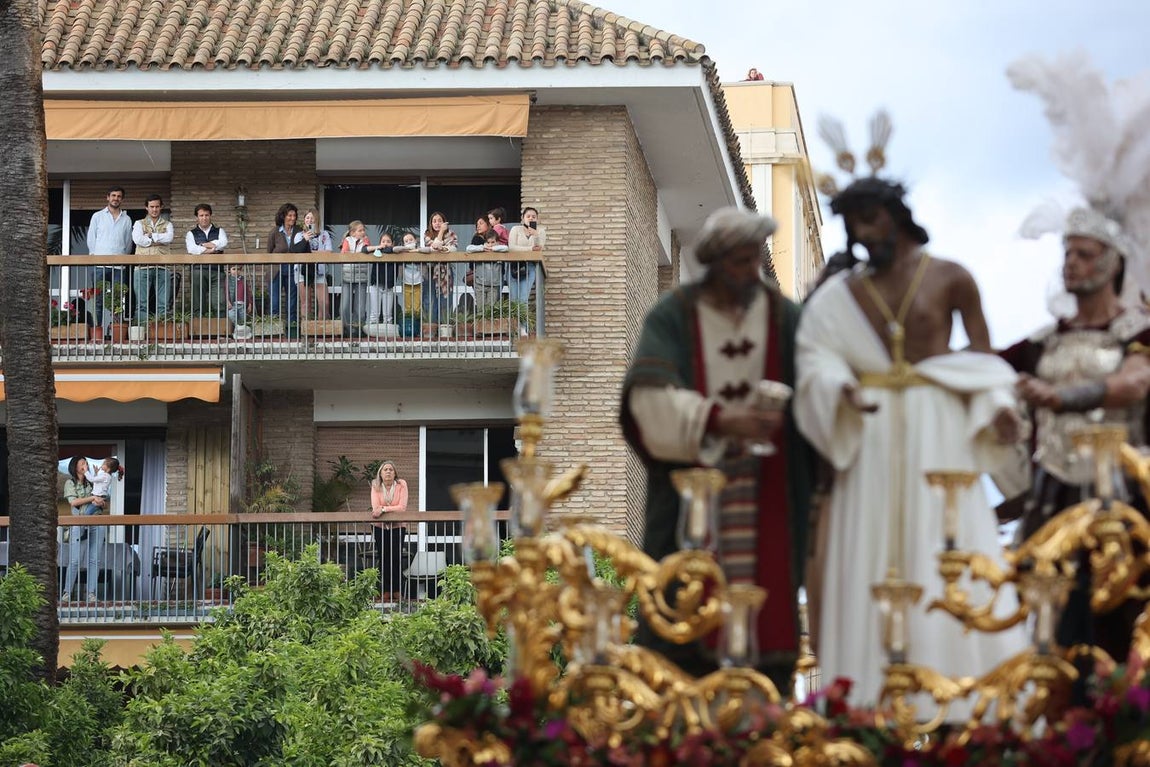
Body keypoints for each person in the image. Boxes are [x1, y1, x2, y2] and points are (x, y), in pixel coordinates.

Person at [793, 168, 1026, 707]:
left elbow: (983, 360)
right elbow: (814, 357)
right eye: (854, 225)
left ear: (897, 216)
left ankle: (963, 695)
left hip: (938, 426)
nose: (863, 234)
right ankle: (864, 699)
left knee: (944, 539)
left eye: (871, 220)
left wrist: (998, 407)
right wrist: (839, 388)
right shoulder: (841, 296)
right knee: (869, 546)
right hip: (869, 429)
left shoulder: (951, 277)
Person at [619, 207, 814, 691]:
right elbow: (647, 400)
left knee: (767, 620)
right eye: (740, 262)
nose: (752, 272)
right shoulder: (674, 315)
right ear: (715, 263)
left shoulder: (785, 318)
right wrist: (720, 420)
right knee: (680, 624)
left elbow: (818, 389)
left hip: (768, 499)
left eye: (755, 260)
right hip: (692, 501)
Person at [1000, 52, 1150, 670]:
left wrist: (1062, 398)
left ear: (1113, 263)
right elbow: (988, 372)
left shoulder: (1138, 334)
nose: (1072, 263)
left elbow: (1135, 383)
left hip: (1127, 504)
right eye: (1068, 252)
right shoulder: (1041, 343)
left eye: (1085, 254)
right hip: (1053, 496)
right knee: (1055, 637)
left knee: (1123, 630)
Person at [86, 185, 134, 331]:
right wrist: (94, 257)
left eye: (119, 196)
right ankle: (97, 330)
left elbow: (128, 243)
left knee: (117, 301)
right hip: (99, 265)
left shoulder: (127, 219)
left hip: (119, 266)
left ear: (122, 199)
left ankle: (116, 331)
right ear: (108, 197)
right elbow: (91, 238)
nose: (116, 198)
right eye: (113, 195)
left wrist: (123, 258)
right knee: (98, 300)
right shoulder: (97, 216)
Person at [61, 456, 108, 602]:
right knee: (75, 560)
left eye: (86, 462)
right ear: (75, 466)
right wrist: (92, 499)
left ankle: (91, 594)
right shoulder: (70, 483)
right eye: (82, 463)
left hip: (96, 521)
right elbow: (73, 502)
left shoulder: (93, 482)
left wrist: (101, 502)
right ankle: (67, 593)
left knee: (95, 560)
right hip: (78, 522)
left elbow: (102, 499)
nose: (85, 464)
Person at [130, 194, 174, 322]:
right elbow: (138, 240)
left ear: (161, 207)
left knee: (163, 304)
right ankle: (142, 331)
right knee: (141, 304)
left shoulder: (168, 224)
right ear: (146, 208)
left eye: (157, 207)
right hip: (142, 267)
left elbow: (169, 238)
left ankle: (162, 331)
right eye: (152, 207)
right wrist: (158, 239)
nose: (154, 209)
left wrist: (150, 236)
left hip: (163, 266)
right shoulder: (139, 223)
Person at [267, 203, 310, 333]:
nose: (292, 218)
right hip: (276, 270)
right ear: (283, 216)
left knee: (292, 301)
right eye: (289, 215)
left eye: (294, 215)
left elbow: (302, 248)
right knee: (274, 302)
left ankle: (291, 330)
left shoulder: (299, 231)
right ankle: (274, 331)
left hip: (293, 269)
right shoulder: (275, 232)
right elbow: (269, 251)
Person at [370, 460, 408, 600]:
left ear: (395, 473)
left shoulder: (401, 484)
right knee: (384, 558)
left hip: (398, 526)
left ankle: (397, 590)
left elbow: (402, 508)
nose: (388, 472)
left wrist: (384, 509)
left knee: (396, 558)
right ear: (380, 473)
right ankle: (386, 590)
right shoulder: (375, 485)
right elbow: (375, 509)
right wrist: (381, 509)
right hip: (380, 527)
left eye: (391, 469)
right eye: (385, 469)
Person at [186, 204, 229, 318]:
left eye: (206, 215)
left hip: (217, 270)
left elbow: (223, 243)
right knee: (198, 302)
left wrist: (202, 246)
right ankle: (198, 327)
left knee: (220, 301)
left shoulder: (220, 231)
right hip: (198, 270)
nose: (204, 218)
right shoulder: (191, 233)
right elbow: (192, 249)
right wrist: (212, 249)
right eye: (201, 215)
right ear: (197, 217)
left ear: (210, 216)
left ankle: (221, 328)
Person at [422, 212, 457, 334]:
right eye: (434, 221)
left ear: (444, 222)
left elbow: (453, 249)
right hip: (430, 270)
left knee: (445, 299)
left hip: (446, 271)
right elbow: (433, 248)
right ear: (431, 223)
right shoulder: (427, 235)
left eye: (439, 221)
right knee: (429, 299)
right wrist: (441, 233)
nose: (437, 223)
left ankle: (444, 329)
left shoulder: (452, 234)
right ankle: (431, 330)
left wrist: (440, 248)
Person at [466, 217, 508, 316]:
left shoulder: (499, 249)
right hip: (480, 284)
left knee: (490, 312)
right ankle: (480, 327)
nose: (490, 245)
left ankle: (489, 327)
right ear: (484, 242)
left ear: (497, 242)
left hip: (494, 285)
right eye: (488, 242)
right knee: (480, 311)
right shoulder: (482, 248)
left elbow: (505, 248)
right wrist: (483, 247)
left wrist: (494, 248)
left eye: (493, 242)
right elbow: (468, 248)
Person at [297, 208, 333, 322]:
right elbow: (297, 252)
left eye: (312, 218)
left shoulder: (324, 234)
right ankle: (306, 329)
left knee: (324, 303)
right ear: (304, 220)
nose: (309, 220)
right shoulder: (299, 235)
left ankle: (322, 328)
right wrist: (305, 240)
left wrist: (311, 253)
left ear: (317, 219)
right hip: (303, 271)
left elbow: (329, 252)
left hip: (319, 271)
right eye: (307, 217)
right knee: (305, 303)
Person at [340, 220, 373, 337]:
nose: (363, 232)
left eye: (363, 230)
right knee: (345, 305)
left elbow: (366, 250)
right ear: (352, 232)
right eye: (360, 230)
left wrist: (356, 252)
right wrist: (357, 253)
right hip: (347, 276)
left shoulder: (366, 240)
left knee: (360, 306)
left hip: (361, 276)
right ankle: (346, 328)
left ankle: (357, 329)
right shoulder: (347, 240)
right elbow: (344, 252)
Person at [508, 207, 545, 308]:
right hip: (514, 266)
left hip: (530, 266)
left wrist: (535, 235)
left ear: (537, 219)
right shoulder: (516, 229)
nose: (531, 218)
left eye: (534, 217)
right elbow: (511, 248)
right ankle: (514, 319)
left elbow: (539, 249)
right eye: (528, 216)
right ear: (523, 218)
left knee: (523, 298)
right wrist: (530, 249)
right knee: (513, 299)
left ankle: (523, 319)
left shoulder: (540, 232)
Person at [367, 232, 398, 326]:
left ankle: (387, 330)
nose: (385, 243)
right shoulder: (377, 251)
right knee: (374, 314)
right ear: (380, 243)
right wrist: (378, 247)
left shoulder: (395, 253)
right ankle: (373, 331)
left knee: (388, 315)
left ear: (392, 243)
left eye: (388, 241)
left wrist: (391, 249)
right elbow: (364, 250)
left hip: (388, 286)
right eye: (383, 241)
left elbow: (395, 250)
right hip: (376, 285)